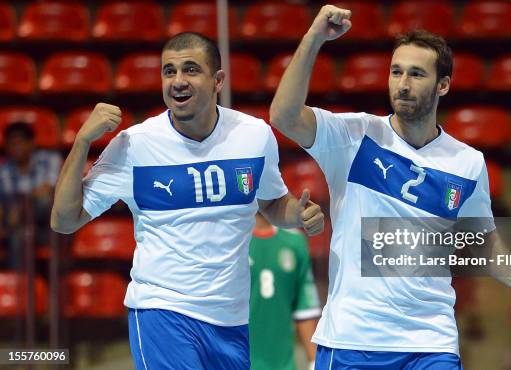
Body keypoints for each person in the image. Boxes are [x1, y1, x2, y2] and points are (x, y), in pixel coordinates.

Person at [269, 5, 511, 369]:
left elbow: (480, 238)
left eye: (416, 74)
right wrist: (314, 37)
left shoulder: (467, 162)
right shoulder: (354, 136)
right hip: (353, 339)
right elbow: (283, 116)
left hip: (430, 341)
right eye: (396, 72)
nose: (403, 83)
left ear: (443, 84)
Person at [50, 32, 324, 370]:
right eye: (169, 71)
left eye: (191, 70)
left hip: (231, 319)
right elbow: (63, 220)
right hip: (161, 312)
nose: (178, 81)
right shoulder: (135, 145)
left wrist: (296, 212)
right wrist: (81, 142)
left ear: (217, 80)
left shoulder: (254, 135)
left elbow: (270, 204)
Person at [249, 212, 320, 370]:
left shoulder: (295, 242)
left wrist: (314, 362)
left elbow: (304, 308)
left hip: (283, 365)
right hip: (235, 363)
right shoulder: (228, 241)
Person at [0, 122, 62, 251]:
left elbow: (49, 189)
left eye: (20, 142)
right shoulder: (3, 170)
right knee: (18, 237)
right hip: (18, 227)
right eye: (11, 144)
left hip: (48, 225)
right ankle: (18, 272)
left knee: (45, 201)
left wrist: (22, 207)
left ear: (32, 143)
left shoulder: (50, 160)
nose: (15, 147)